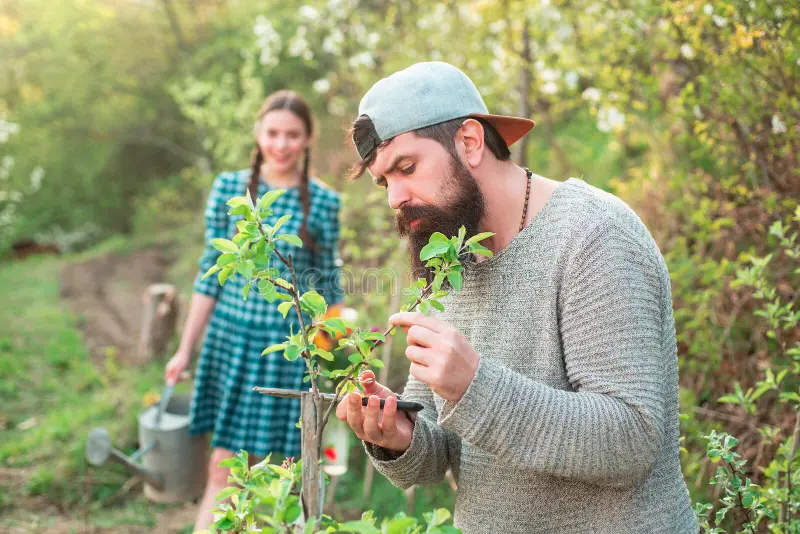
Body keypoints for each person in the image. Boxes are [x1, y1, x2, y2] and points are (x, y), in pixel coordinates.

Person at [337, 62, 697, 533]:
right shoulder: (447, 257)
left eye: (407, 168)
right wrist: (398, 437)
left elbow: (630, 439)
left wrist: (474, 385)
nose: (394, 198)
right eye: (385, 182)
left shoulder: (593, 235)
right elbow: (440, 452)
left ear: (469, 142)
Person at [165, 90, 342, 530]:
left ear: (307, 140)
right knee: (224, 465)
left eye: (292, 135)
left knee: (287, 472)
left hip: (287, 352)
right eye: (273, 133)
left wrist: (329, 356)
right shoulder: (230, 189)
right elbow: (211, 272)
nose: (281, 144)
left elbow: (329, 289)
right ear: (258, 134)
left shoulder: (323, 202)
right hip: (230, 345)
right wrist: (185, 349)